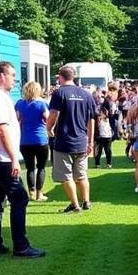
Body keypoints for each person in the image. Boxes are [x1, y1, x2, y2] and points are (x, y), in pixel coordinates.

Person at [0, 61, 46, 258]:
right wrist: (13, 158)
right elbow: (2, 129)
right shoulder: (0, 98)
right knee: (19, 198)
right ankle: (21, 245)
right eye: (12, 75)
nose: (14, 79)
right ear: (1, 76)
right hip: (1, 158)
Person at [47, 65, 95, 212]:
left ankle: (75, 204)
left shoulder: (59, 93)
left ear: (60, 77)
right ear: (73, 77)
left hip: (64, 141)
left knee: (66, 175)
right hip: (81, 140)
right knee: (81, 174)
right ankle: (86, 201)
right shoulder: (86, 94)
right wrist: (90, 141)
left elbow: (53, 114)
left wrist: (48, 128)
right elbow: (92, 119)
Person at [15, 80, 50, 201]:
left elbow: (17, 119)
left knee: (30, 168)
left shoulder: (20, 104)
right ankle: (39, 194)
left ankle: (31, 192)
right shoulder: (42, 104)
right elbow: (47, 119)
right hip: (40, 139)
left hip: (25, 140)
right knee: (41, 167)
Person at [94, 93, 115, 167]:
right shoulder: (97, 110)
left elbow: (112, 122)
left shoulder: (108, 112)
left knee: (107, 150)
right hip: (99, 133)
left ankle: (108, 163)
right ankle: (97, 163)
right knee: (98, 150)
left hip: (107, 133)